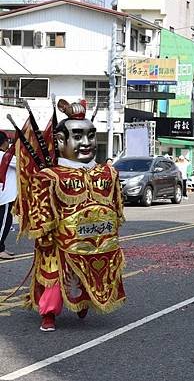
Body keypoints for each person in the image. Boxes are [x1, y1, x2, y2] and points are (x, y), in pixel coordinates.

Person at [14, 99, 126, 332]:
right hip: (61, 242)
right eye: (78, 136)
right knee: (53, 274)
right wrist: (45, 235)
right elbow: (40, 211)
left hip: (97, 241)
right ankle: (49, 314)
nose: (86, 143)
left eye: (91, 136)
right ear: (61, 140)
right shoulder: (50, 177)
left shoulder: (107, 172)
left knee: (98, 270)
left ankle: (85, 300)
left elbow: (116, 207)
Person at [0, 131, 16, 260]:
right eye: (8, 141)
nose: (9, 144)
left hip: (3, 195)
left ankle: (2, 246)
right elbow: (24, 164)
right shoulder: (5, 157)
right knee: (4, 223)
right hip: (5, 196)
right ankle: (0, 249)